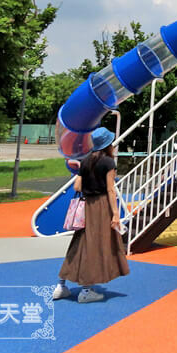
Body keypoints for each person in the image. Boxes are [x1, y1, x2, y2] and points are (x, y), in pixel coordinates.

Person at [54, 127, 129, 303]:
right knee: (94, 246)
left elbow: (77, 187)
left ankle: (61, 285)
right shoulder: (108, 163)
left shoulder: (86, 161)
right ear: (108, 144)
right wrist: (115, 214)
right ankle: (86, 290)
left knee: (78, 244)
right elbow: (111, 189)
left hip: (85, 206)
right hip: (101, 207)